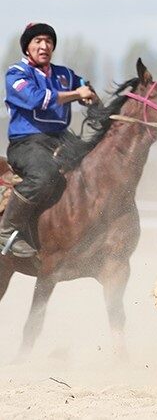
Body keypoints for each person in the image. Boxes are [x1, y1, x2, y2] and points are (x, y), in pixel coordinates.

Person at [0, 23, 98, 258]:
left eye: (49, 42)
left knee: (94, 165)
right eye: (38, 41)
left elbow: (83, 84)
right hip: (27, 143)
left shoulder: (64, 74)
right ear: (27, 47)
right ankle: (7, 229)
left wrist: (88, 95)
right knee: (44, 176)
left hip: (60, 138)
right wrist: (77, 95)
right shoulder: (16, 74)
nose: (44, 46)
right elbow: (36, 99)